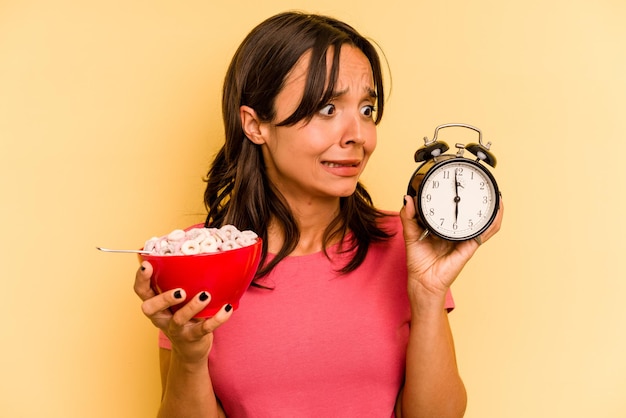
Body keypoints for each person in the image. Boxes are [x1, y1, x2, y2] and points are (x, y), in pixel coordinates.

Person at [134, 11, 503, 418]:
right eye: (327, 108)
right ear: (255, 125)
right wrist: (188, 356)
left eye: (366, 109)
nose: (358, 136)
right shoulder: (199, 262)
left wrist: (428, 296)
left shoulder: (406, 243)